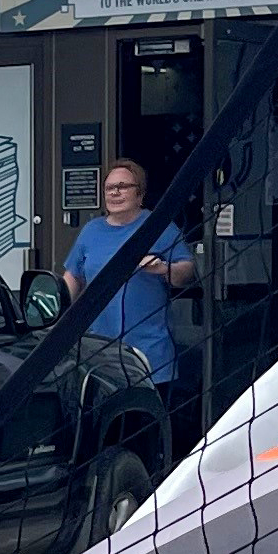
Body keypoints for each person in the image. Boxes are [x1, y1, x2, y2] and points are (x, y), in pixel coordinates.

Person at [63, 157, 195, 391]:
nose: (115, 193)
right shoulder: (91, 231)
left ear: (140, 194)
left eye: (123, 187)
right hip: (99, 353)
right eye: (109, 188)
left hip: (149, 354)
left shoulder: (159, 226)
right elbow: (73, 277)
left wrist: (163, 268)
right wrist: (56, 314)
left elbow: (187, 272)